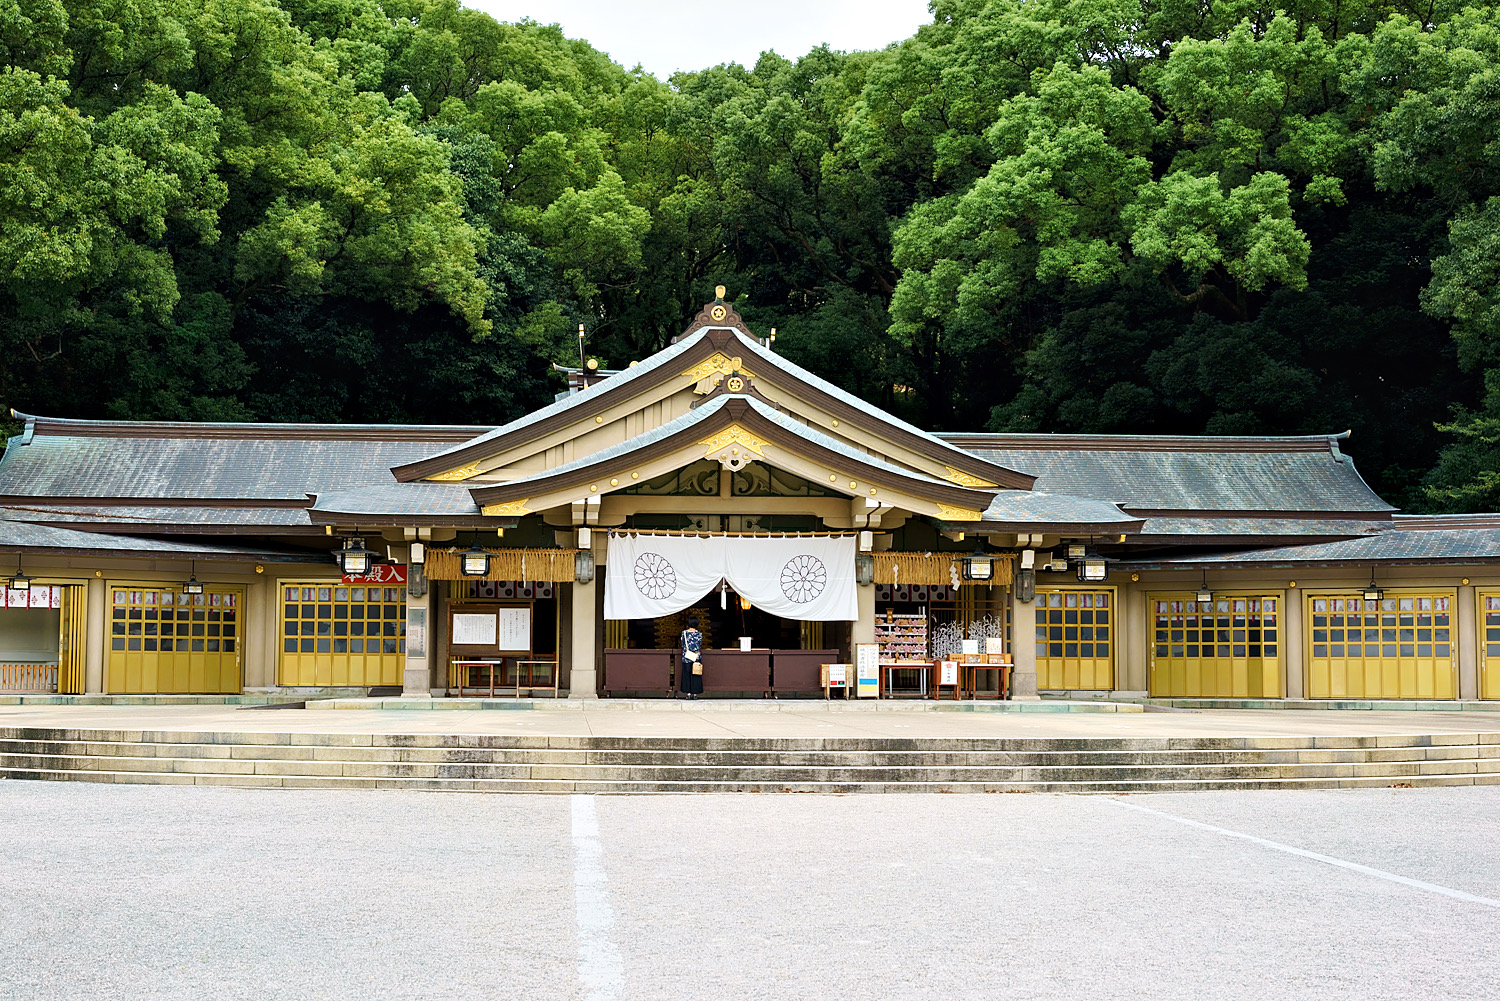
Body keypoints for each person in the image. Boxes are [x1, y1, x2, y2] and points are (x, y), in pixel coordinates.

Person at [678, 616, 703, 699]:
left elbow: (683, 644)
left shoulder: (684, 633)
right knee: (696, 674)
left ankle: (688, 694)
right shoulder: (699, 634)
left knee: (686, 675)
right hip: (696, 657)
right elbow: (699, 645)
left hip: (687, 656)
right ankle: (695, 694)